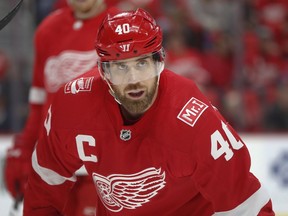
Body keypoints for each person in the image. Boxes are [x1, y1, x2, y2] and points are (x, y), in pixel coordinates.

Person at [23, 8, 275, 215]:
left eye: (142, 63)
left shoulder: (194, 119)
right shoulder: (73, 105)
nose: (133, 79)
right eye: (120, 67)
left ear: (159, 62)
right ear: (103, 72)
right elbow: (44, 185)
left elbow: (248, 206)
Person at [4, 0, 118, 215]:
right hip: (54, 166)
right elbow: (39, 103)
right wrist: (24, 149)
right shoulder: (48, 29)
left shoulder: (123, 26)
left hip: (103, 171)